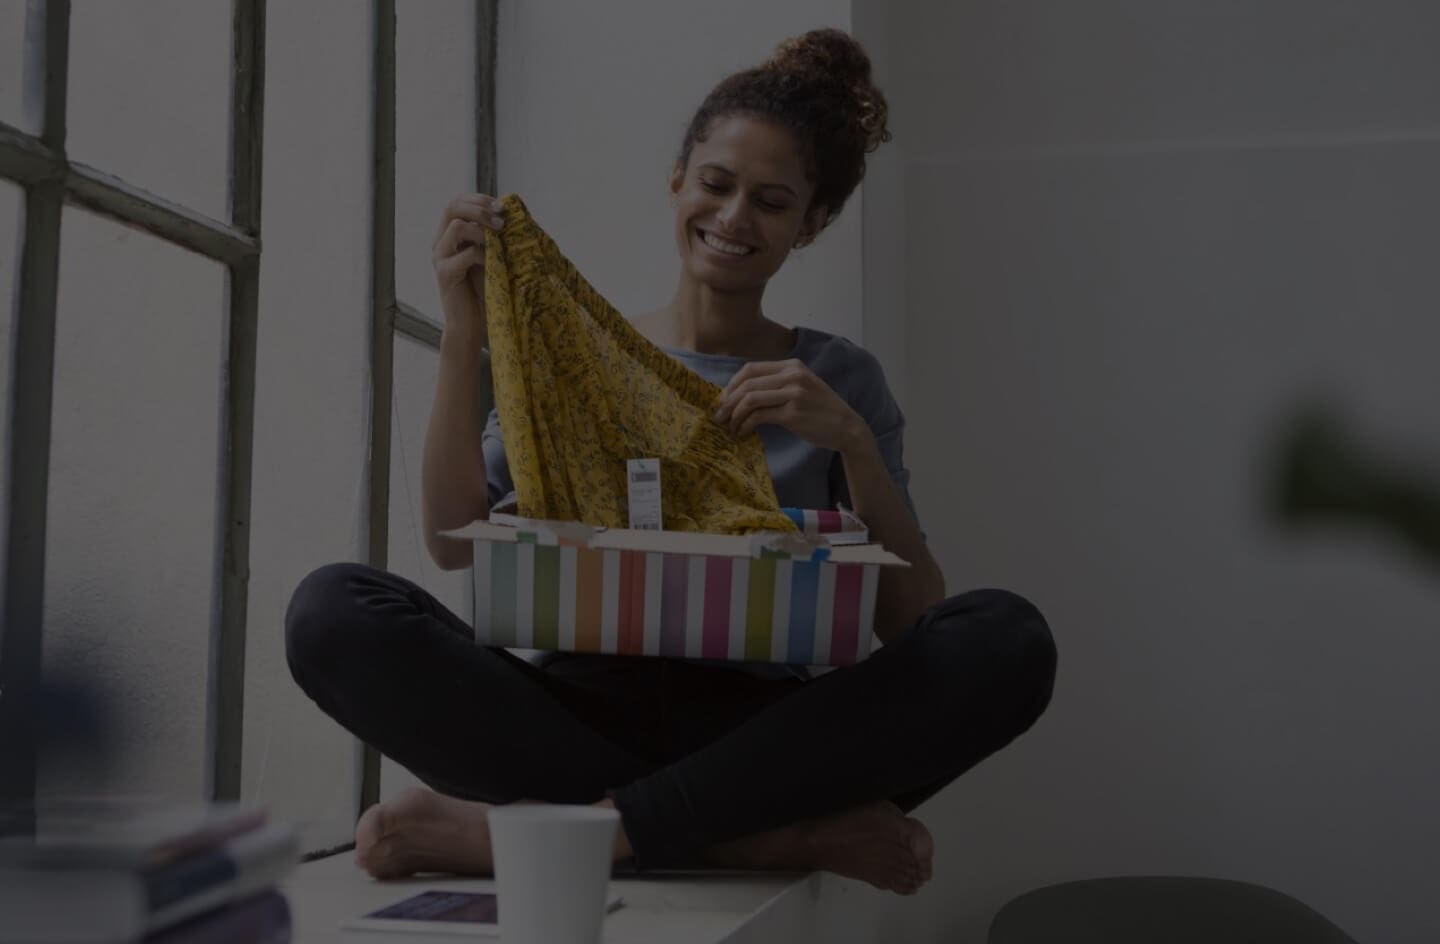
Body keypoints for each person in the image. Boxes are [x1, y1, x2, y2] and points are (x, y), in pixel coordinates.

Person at [285, 28, 1055, 896]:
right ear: (677, 180)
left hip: (763, 736)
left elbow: (914, 624)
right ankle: (741, 843)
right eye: (717, 185)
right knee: (331, 611)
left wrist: (856, 448)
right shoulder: (569, 355)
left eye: (771, 202)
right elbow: (451, 540)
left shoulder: (838, 381)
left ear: (814, 223)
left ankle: (591, 831)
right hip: (571, 714)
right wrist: (465, 332)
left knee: (1008, 638)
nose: (732, 220)